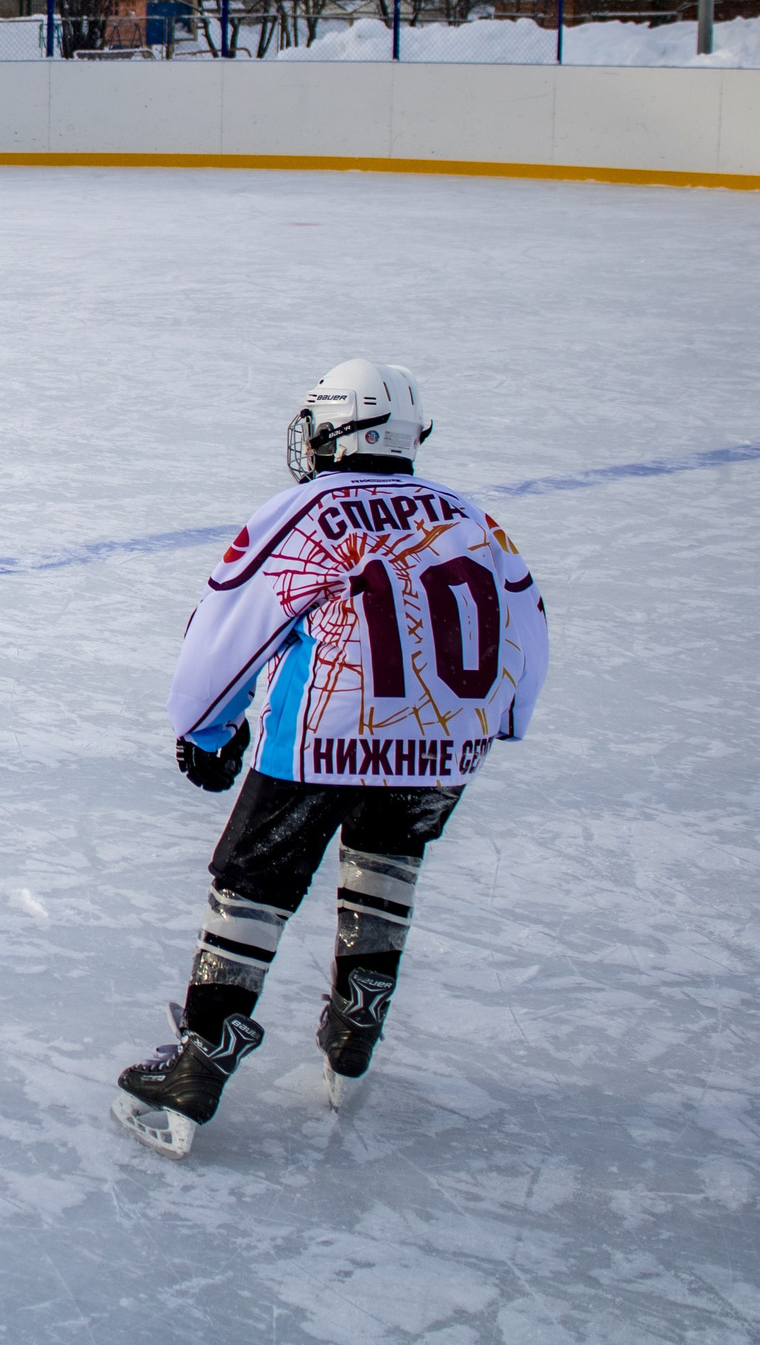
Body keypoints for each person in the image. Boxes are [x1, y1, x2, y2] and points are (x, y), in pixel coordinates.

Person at [112, 359, 549, 1159]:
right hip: (450, 738)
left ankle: (201, 1060)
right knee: (387, 861)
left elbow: (230, 623)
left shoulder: (308, 510)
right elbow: (525, 619)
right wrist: (494, 723)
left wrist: (206, 732)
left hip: (325, 733)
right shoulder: (472, 518)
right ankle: (357, 1023)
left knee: (253, 882)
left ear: (338, 431)